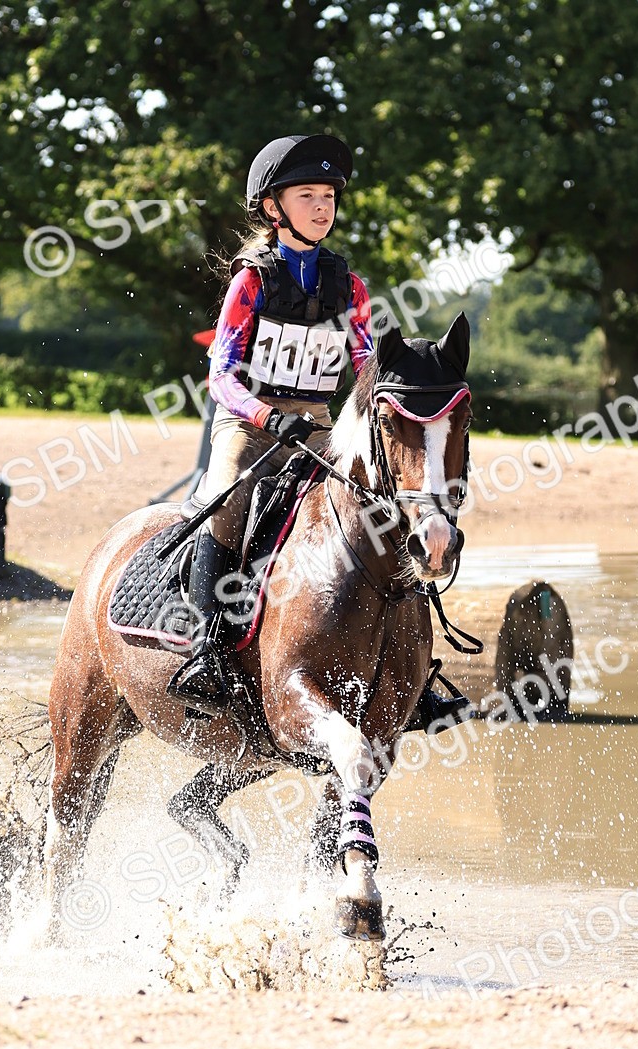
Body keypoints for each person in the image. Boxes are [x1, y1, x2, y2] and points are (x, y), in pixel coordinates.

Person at [167, 133, 373, 713]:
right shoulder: (251, 281)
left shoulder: (349, 286)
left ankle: (400, 653)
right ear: (272, 207)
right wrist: (265, 416)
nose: (322, 206)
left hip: (319, 424)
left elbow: (366, 368)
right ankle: (207, 649)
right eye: (306, 194)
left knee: (380, 508)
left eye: (329, 195)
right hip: (249, 422)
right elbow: (222, 377)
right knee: (226, 496)